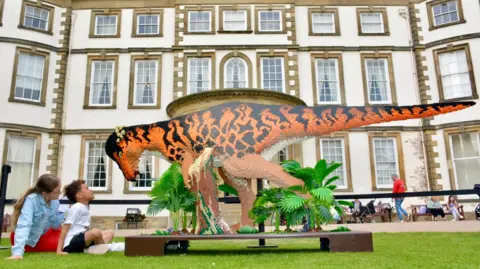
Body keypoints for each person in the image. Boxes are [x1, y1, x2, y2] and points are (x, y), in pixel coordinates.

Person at [7, 174, 63, 260]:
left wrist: (65, 213)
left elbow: (55, 225)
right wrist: (17, 253)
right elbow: (24, 225)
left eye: (60, 190)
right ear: (45, 193)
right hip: (27, 240)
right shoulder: (31, 200)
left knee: (64, 240)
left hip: (43, 236)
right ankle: (21, 248)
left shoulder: (55, 202)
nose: (60, 193)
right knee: (59, 245)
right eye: (56, 192)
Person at [57, 180, 114, 255]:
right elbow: (65, 228)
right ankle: (103, 248)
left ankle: (93, 249)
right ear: (80, 195)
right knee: (96, 232)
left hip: (82, 241)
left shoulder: (85, 207)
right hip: (71, 243)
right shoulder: (77, 207)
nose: (91, 190)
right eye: (87, 188)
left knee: (110, 233)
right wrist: (59, 250)